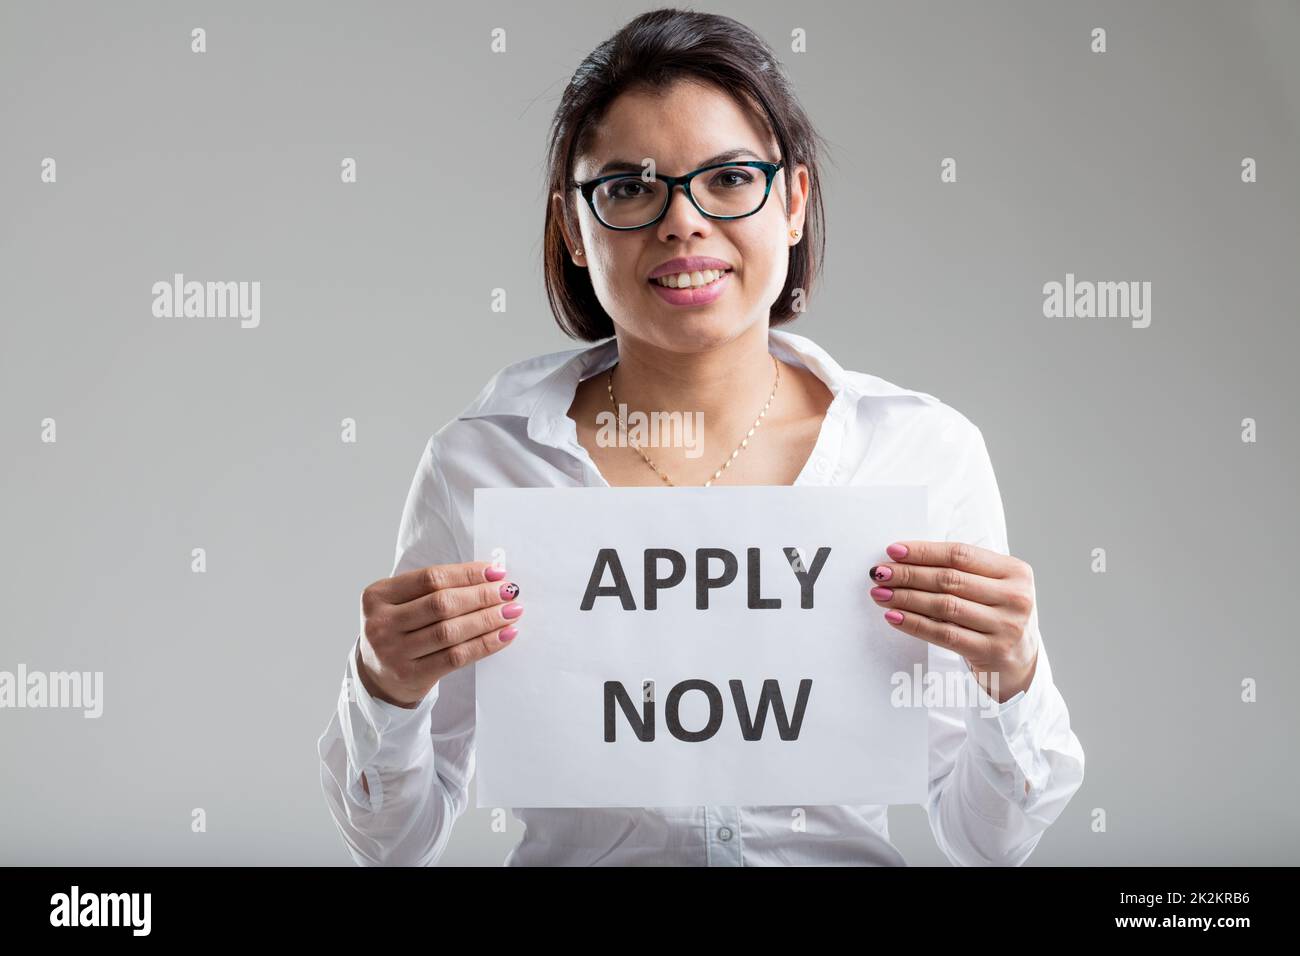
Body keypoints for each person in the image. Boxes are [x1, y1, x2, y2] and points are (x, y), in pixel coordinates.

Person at [316, 7, 1085, 866]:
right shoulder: (482, 465)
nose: (682, 222)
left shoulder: (922, 456)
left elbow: (990, 843)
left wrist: (1013, 678)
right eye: (630, 188)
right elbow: (394, 842)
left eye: (727, 180)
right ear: (575, 228)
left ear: (792, 203)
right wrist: (386, 690)